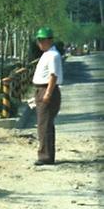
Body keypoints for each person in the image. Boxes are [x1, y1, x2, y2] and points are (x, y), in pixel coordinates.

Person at [32, 27, 63, 165]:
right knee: (44, 124)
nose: (39, 43)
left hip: (47, 89)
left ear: (49, 40)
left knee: (44, 125)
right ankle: (46, 154)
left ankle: (45, 156)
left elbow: (53, 76)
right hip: (42, 89)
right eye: (38, 40)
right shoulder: (47, 54)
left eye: (41, 40)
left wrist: (48, 94)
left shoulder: (53, 56)